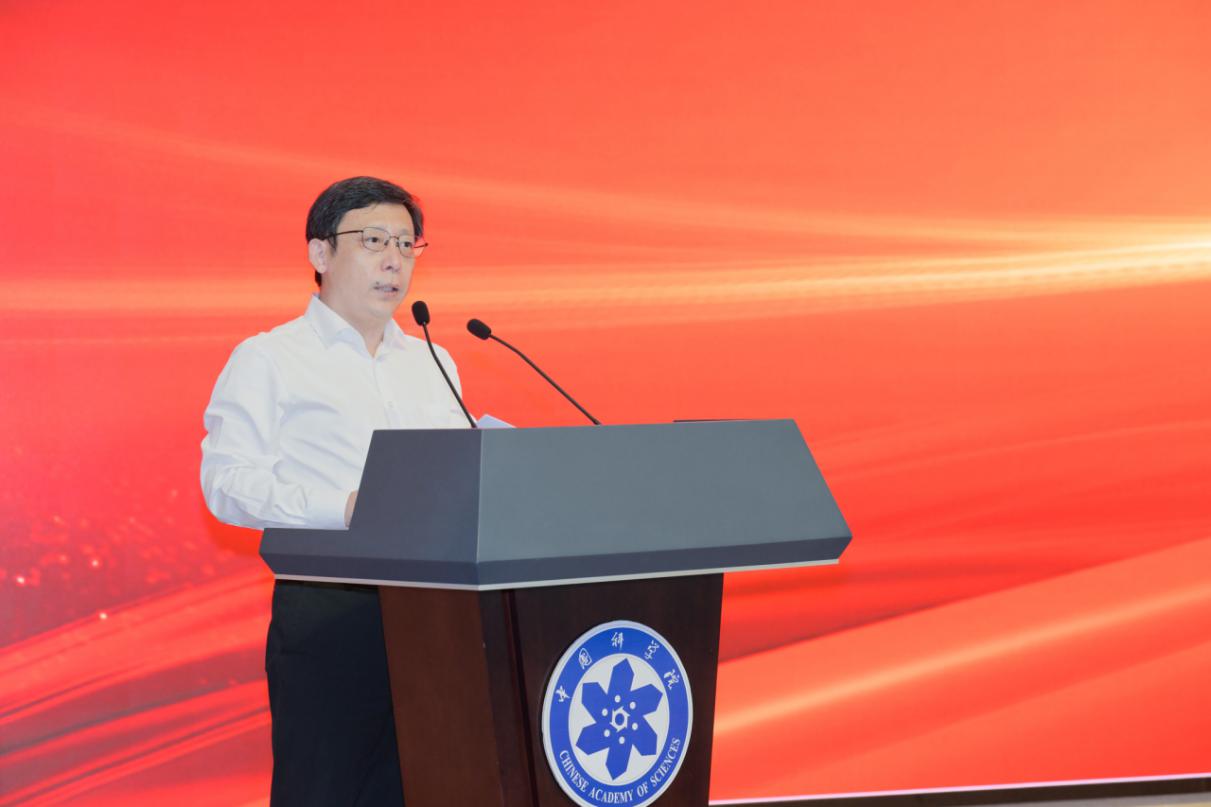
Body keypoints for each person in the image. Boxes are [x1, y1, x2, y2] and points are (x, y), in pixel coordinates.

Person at [201, 176, 470, 805]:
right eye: (374, 240)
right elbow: (226, 484)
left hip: (440, 617)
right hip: (331, 611)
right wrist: (342, 508)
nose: (394, 260)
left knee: (433, 785)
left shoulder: (434, 362)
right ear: (320, 253)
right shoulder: (269, 358)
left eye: (406, 244)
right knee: (327, 791)